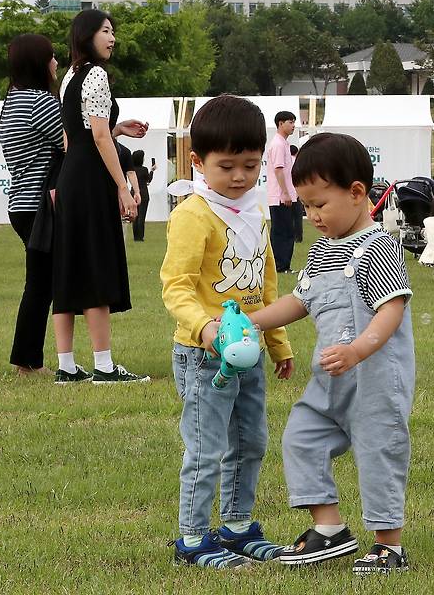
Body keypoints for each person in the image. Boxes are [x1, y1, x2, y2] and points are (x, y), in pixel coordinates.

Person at [248, 132, 414, 574]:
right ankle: (329, 529)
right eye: (305, 206)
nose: (312, 215)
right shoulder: (322, 250)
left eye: (320, 204)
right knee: (300, 437)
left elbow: (390, 310)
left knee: (379, 452)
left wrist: (359, 350)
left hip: (374, 378)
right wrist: (255, 321)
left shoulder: (376, 247)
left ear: (357, 193)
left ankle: (388, 544)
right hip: (330, 376)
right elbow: (301, 301)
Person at [160, 94, 294, 570]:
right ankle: (193, 539)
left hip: (250, 350)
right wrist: (206, 326)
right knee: (206, 449)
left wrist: (277, 342)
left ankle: (237, 527)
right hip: (205, 355)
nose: (240, 176)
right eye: (227, 166)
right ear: (198, 162)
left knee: (251, 441)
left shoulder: (257, 209)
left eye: (251, 165)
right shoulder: (193, 216)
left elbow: (267, 281)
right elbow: (175, 287)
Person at [52, 9, 149, 384]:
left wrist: (117, 127)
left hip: (71, 173)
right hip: (91, 180)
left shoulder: (69, 76)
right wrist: (123, 187)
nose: (113, 38)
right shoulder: (96, 74)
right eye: (106, 31)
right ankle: (105, 367)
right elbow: (98, 137)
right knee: (95, 264)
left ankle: (65, 366)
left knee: (69, 267)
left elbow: (77, 135)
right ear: (87, 35)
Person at [0, 34, 64, 376]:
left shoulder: (12, 101)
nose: (56, 63)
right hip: (41, 206)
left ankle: (27, 359)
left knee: (40, 282)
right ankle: (28, 362)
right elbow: (73, 143)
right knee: (41, 285)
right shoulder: (42, 103)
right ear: (39, 63)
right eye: (51, 58)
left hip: (20, 204)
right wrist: (113, 133)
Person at [267, 110, 297, 273]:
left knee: (285, 230)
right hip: (279, 196)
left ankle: (282, 265)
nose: (293, 126)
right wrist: (284, 193)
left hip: (284, 195)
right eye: (290, 122)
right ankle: (281, 265)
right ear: (280, 124)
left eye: (293, 122)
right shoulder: (278, 144)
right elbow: (278, 170)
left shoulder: (283, 143)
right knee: (282, 231)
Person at [131, 149, 156, 242]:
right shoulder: (144, 169)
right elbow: (148, 179)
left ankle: (135, 236)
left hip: (133, 193)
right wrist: (152, 170)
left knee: (135, 215)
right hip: (143, 194)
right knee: (142, 216)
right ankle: (140, 237)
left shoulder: (132, 169)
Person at [289, 143, 303, 244]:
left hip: (287, 194)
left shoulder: (286, 162)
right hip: (296, 193)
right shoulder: (297, 162)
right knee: (297, 217)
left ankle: (291, 235)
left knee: (289, 217)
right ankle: (298, 236)